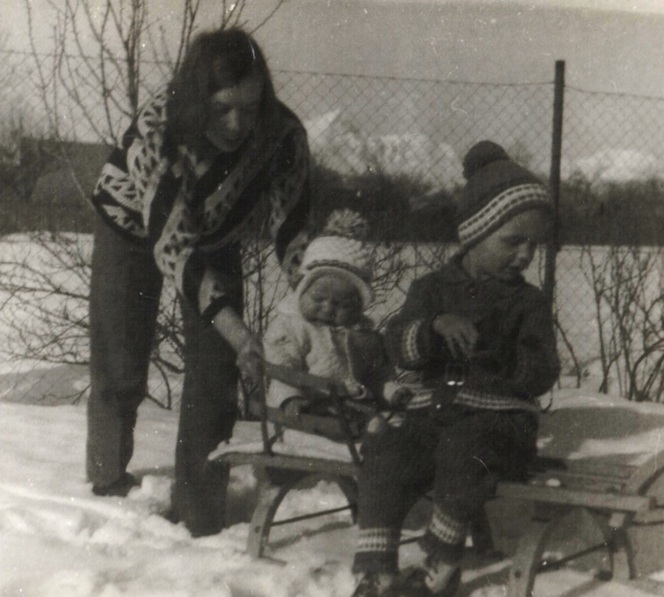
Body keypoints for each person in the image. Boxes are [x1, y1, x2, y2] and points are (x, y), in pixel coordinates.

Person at [85, 28, 310, 537]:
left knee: (217, 370)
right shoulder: (162, 133)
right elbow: (175, 250)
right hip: (133, 227)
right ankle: (107, 482)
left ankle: (199, 508)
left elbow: (292, 229)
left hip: (216, 231)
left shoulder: (283, 136)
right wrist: (238, 329)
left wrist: (316, 301)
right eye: (223, 108)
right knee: (121, 360)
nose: (237, 123)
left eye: (250, 108)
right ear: (196, 99)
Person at [350, 140, 561, 596]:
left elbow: (543, 370)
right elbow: (396, 347)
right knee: (387, 449)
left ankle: (439, 565)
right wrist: (431, 329)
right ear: (474, 233)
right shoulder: (431, 289)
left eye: (533, 245)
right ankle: (376, 571)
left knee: (464, 448)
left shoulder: (528, 302)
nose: (524, 255)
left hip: (500, 425)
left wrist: (505, 360)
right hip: (434, 414)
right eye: (512, 242)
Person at [262, 209, 388, 424]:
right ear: (302, 290)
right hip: (306, 408)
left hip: (351, 408)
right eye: (318, 299)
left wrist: (390, 390)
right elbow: (282, 368)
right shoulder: (292, 326)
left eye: (342, 304)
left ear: (358, 306)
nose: (328, 308)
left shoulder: (362, 334)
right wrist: (290, 400)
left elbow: (377, 374)